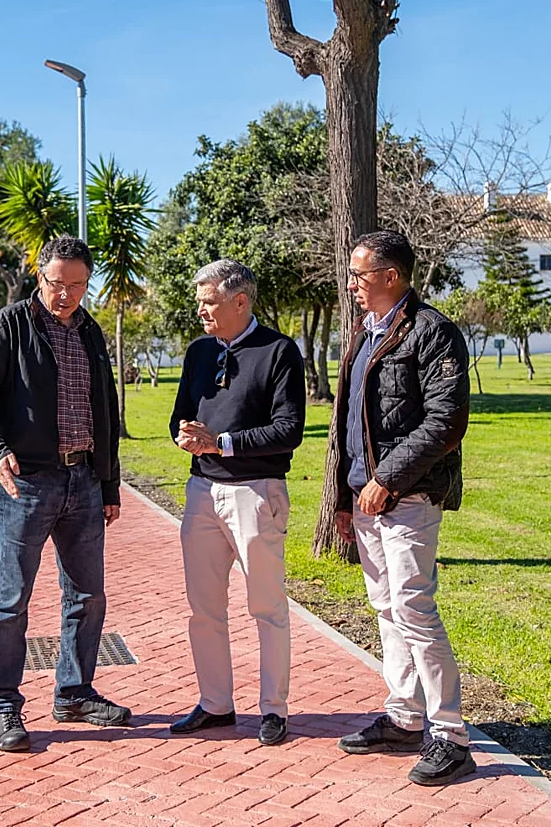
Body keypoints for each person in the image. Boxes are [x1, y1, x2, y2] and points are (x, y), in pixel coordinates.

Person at [0, 234, 130, 753]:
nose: (67, 295)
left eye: (78, 285)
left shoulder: (90, 331)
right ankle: (4, 706)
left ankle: (75, 692)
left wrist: (109, 482)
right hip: (27, 484)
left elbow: (105, 409)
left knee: (87, 595)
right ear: (41, 277)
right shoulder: (10, 324)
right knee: (11, 600)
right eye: (58, 284)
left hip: (83, 482)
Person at [331, 230, 475, 786]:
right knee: (387, 609)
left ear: (391, 277)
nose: (352, 285)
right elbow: (350, 425)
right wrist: (347, 498)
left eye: (359, 275)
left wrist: (387, 480)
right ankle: (404, 716)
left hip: (408, 497)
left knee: (415, 609)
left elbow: (446, 421)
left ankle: (451, 736)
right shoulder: (366, 335)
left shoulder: (431, 332)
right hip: (367, 501)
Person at [167, 259, 305, 747]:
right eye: (200, 301)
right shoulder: (198, 351)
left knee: (266, 606)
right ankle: (215, 704)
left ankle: (274, 710)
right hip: (201, 491)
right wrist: (185, 436)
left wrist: (220, 443)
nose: (201, 310)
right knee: (203, 608)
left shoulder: (279, 352)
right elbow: (181, 414)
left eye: (210, 302)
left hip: (255, 492)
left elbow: (289, 430)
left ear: (240, 301)